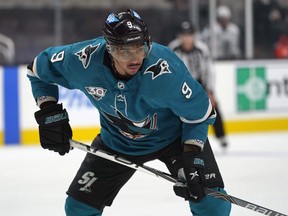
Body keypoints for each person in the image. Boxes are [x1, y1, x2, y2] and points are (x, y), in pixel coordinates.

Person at [27, 9, 231, 216]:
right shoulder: (82, 60)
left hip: (174, 139)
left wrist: (192, 154)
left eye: (140, 48)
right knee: (79, 209)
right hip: (117, 142)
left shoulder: (165, 68)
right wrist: (49, 111)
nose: (135, 59)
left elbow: (200, 113)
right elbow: (36, 70)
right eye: (125, 51)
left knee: (212, 205)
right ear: (109, 48)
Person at [169, 21, 229, 150]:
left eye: (189, 35)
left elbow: (209, 70)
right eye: (184, 35)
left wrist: (210, 90)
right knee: (176, 111)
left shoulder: (202, 49)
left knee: (212, 107)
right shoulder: (173, 49)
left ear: (194, 36)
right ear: (179, 36)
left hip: (199, 83)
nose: (187, 38)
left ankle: (221, 135)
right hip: (180, 83)